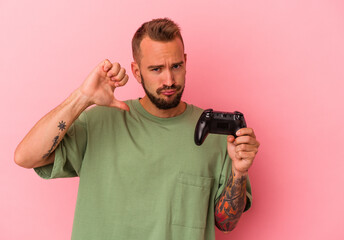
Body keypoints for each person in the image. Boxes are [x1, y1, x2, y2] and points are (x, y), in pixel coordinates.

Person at [14, 18, 260, 240]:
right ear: (136, 72)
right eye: (156, 69)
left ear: (185, 62)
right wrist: (82, 97)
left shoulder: (215, 136)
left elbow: (225, 224)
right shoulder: (99, 122)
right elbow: (26, 157)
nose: (169, 81)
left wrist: (239, 173)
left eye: (175, 66)